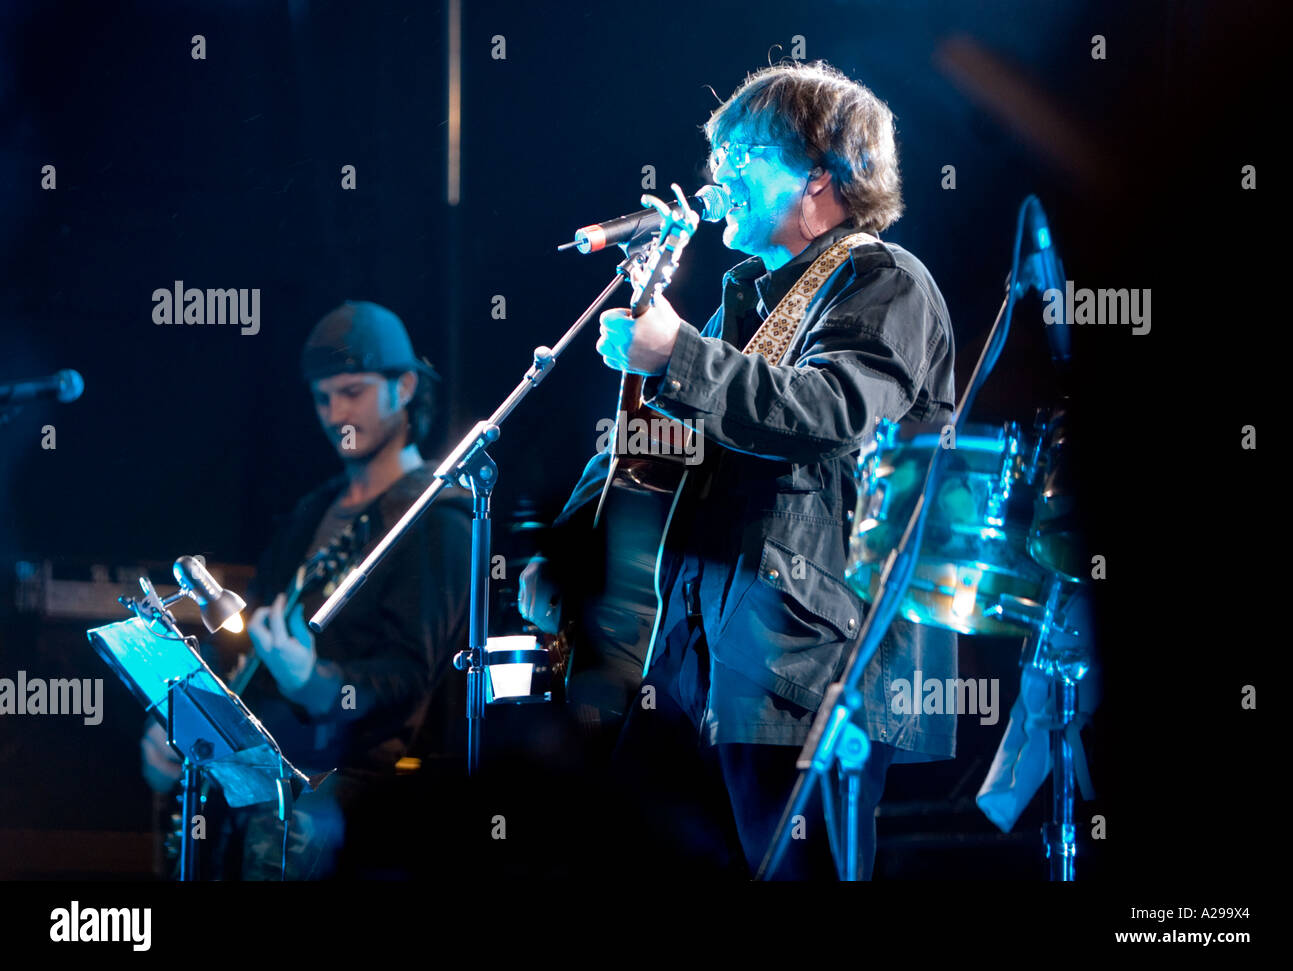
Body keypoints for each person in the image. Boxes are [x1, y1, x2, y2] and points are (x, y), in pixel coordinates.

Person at [520, 61, 959, 879]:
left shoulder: (883, 280)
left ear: (821, 175)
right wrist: (570, 542)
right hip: (695, 661)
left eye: (742, 155)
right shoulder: (749, 300)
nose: (716, 178)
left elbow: (828, 414)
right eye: (715, 158)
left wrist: (679, 352)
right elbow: (653, 450)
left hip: (811, 667)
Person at [142, 300, 472, 879]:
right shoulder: (312, 512)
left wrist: (313, 681)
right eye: (323, 397)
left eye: (353, 391)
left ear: (406, 386)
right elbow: (243, 644)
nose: (335, 413)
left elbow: (408, 677)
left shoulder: (436, 518)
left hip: (353, 794)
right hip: (263, 779)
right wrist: (184, 726)